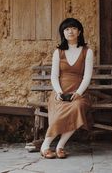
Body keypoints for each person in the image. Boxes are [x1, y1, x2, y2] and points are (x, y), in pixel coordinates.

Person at [40, 18, 93, 159]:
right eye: (67, 29)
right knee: (60, 110)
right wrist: (58, 93)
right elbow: (54, 76)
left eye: (74, 28)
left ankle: (60, 146)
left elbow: (87, 77)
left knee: (78, 107)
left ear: (79, 31)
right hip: (60, 91)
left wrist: (78, 93)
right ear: (63, 33)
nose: (70, 31)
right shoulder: (58, 52)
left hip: (78, 92)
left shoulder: (87, 52)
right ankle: (45, 145)